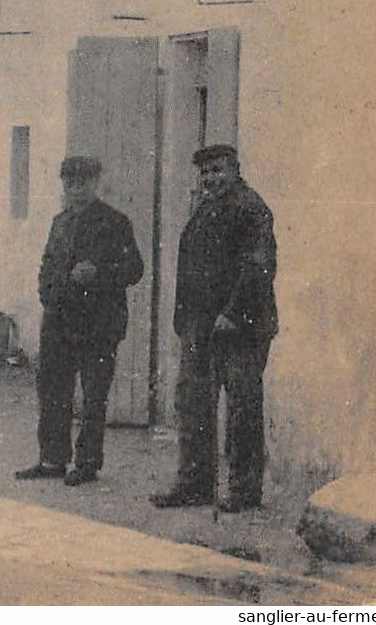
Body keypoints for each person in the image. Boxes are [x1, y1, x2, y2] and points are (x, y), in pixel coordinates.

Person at [151, 144, 278, 513]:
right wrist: (184, 317)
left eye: (219, 171)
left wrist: (234, 313)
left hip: (240, 327)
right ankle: (194, 484)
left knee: (242, 407)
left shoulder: (251, 209)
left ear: (236, 170)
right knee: (193, 404)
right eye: (206, 173)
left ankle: (244, 490)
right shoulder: (204, 209)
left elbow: (259, 266)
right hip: (200, 325)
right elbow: (188, 265)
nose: (211, 179)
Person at [14, 155, 144, 487]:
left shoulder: (115, 223)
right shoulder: (60, 223)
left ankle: (87, 463)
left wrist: (99, 274)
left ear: (95, 183)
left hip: (98, 324)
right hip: (59, 321)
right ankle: (52, 459)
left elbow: (135, 270)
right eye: (70, 183)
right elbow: (46, 265)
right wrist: (47, 294)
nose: (76, 189)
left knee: (94, 394)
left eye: (83, 182)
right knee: (53, 390)